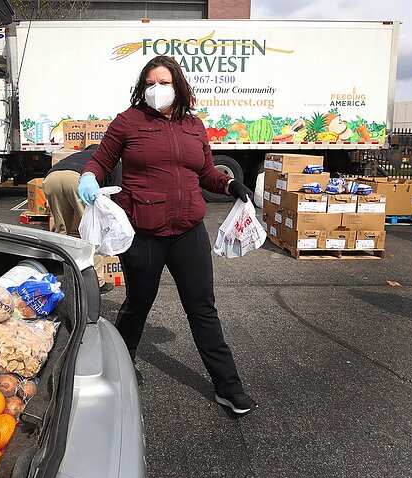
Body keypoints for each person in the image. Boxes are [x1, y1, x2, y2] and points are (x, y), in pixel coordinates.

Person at [77, 55, 257, 415]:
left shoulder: (193, 126)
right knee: (137, 305)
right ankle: (118, 370)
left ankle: (228, 387)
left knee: (203, 308)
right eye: (150, 83)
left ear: (178, 86)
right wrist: (89, 177)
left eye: (164, 82)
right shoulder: (129, 122)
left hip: (188, 230)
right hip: (143, 232)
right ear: (142, 87)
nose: (157, 89)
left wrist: (230, 183)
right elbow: (101, 159)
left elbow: (205, 172)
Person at [43, 144, 121, 237]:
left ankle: (60, 248)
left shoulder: (77, 155)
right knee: (90, 223)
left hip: (51, 178)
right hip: (78, 179)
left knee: (62, 228)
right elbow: (117, 186)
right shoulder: (107, 159)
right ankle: (93, 248)